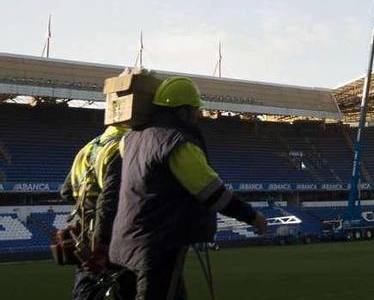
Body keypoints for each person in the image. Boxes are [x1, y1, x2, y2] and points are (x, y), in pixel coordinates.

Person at [110, 76, 267, 300]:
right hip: (156, 248)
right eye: (195, 110)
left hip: (122, 246)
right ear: (182, 112)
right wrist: (251, 216)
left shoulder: (130, 139)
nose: (198, 116)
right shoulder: (177, 142)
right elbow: (212, 192)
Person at [60, 124, 136, 299]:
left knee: (85, 292)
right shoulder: (124, 147)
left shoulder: (88, 148)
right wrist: (102, 244)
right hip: (114, 237)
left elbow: (66, 192)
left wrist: (87, 206)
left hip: (86, 237)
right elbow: (109, 200)